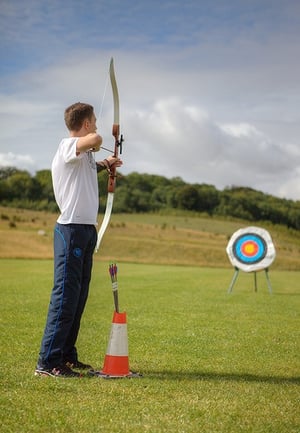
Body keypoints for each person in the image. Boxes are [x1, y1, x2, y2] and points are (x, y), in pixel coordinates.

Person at [35, 102, 122, 378]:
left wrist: (106, 163)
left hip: (85, 230)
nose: (96, 126)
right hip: (70, 229)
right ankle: (47, 362)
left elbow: (86, 166)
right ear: (85, 124)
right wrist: (97, 142)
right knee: (65, 297)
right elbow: (95, 139)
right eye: (94, 121)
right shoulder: (66, 146)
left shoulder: (81, 156)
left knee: (79, 296)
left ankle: (66, 356)